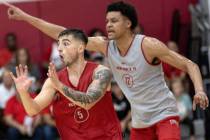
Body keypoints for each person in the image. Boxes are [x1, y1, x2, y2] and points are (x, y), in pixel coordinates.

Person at [5, 1, 209, 139]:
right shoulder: (106, 46)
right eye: (107, 20)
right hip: (140, 120)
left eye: (114, 20)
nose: (108, 24)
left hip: (164, 114)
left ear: (128, 23)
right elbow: (63, 33)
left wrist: (199, 90)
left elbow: (189, 64)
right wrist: (26, 17)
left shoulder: (148, 45)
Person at [10, 29, 122, 140]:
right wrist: (23, 92)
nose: (59, 48)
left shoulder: (101, 72)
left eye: (66, 44)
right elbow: (33, 110)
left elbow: (88, 101)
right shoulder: (53, 80)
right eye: (59, 44)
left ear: (81, 48)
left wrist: (59, 86)